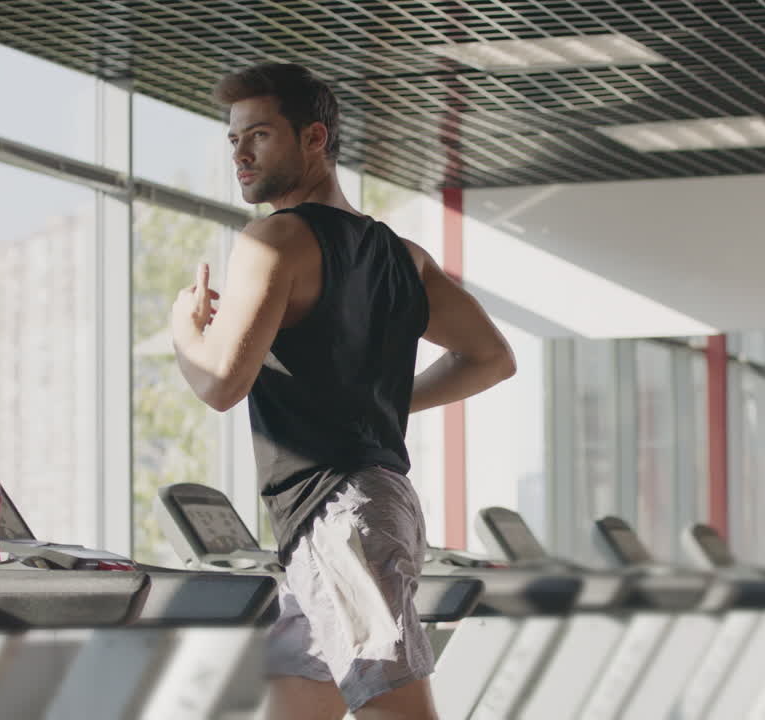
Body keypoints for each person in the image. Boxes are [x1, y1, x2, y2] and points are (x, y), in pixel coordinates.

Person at [170, 63, 516, 720]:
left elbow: (220, 383)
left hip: (338, 519)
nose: (241, 154)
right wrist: (375, 400)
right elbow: (490, 357)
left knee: (396, 711)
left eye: (261, 135)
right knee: (298, 702)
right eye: (234, 140)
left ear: (314, 139)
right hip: (364, 509)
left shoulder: (275, 238)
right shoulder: (403, 256)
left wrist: (185, 331)